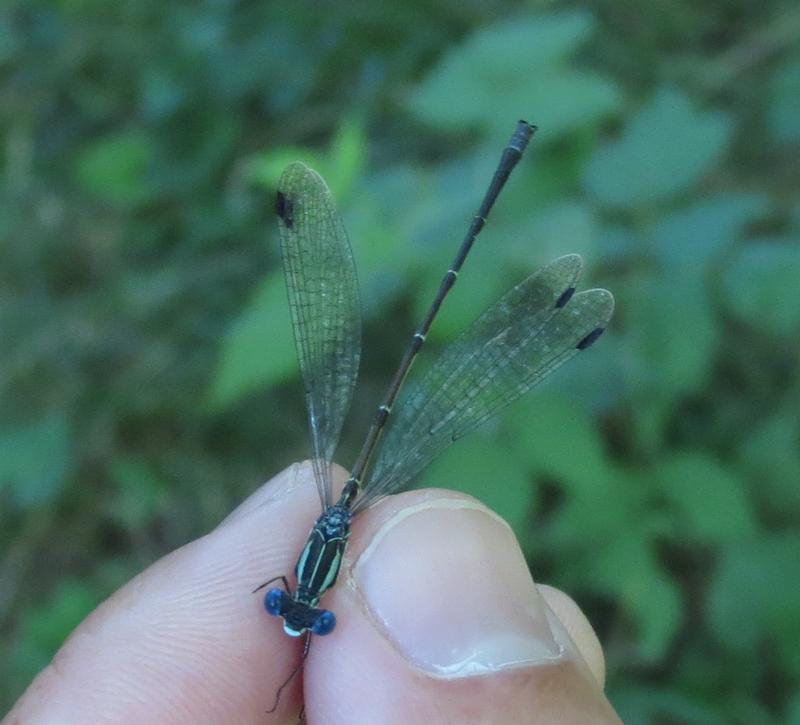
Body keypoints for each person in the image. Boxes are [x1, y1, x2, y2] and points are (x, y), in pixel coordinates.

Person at [6, 463, 622, 724]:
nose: (293, 611)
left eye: (294, 610)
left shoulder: (311, 576)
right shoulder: (300, 581)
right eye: (299, 612)